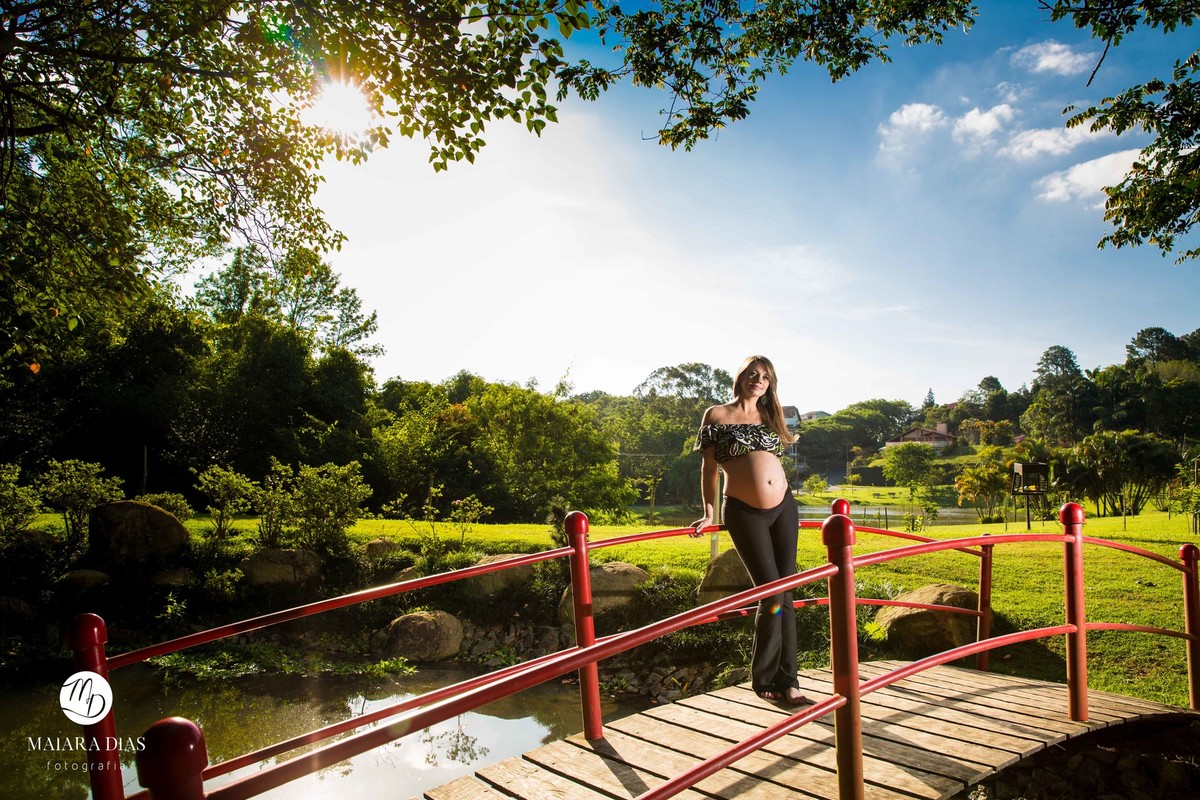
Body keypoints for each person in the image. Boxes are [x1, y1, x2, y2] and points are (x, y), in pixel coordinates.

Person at [691, 355, 807, 705]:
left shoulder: (772, 416)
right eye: (754, 374)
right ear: (741, 378)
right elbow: (709, 469)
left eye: (766, 377)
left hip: (784, 508)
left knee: (786, 592)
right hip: (745, 512)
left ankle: (790, 678)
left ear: (770, 385)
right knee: (771, 593)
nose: (759, 381)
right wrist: (709, 512)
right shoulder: (717, 415)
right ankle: (765, 677)